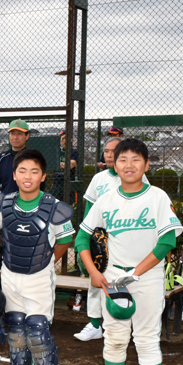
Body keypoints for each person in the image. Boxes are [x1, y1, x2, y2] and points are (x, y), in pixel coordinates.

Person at [76, 138, 182, 365]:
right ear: (115, 164)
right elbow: (82, 237)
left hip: (147, 277)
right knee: (114, 337)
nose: (129, 165)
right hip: (113, 279)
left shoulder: (157, 197)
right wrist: (93, 272)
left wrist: (137, 272)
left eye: (136, 159)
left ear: (146, 165)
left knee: (146, 338)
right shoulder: (106, 199)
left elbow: (167, 241)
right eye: (123, 159)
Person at [0, 149, 75, 365]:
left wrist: (45, 259)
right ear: (14, 175)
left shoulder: (53, 206)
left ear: (43, 176)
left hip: (39, 279)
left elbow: (65, 240)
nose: (28, 176)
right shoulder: (4, 204)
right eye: (22, 171)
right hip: (10, 276)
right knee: (16, 333)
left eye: (34, 171)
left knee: (38, 334)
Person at [74, 136, 150, 342]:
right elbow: (90, 210)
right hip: (101, 240)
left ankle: (131, 325)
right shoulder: (98, 179)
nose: (109, 155)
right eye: (106, 151)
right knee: (96, 281)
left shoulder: (137, 177)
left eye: (114, 151)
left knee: (127, 283)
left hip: (124, 239)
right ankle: (95, 324)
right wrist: (88, 238)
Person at [0, 119, 30, 195]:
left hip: (28, 201)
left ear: (27, 136)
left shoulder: (33, 158)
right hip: (6, 200)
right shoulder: (0, 158)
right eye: (12, 134)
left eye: (19, 134)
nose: (15, 137)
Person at [51, 130, 79, 198]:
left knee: (69, 201)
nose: (64, 140)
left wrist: (58, 164)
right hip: (57, 182)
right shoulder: (56, 151)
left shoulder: (74, 152)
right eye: (63, 139)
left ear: (71, 140)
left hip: (69, 181)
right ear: (60, 141)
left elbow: (71, 165)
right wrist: (64, 164)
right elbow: (52, 163)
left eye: (66, 138)